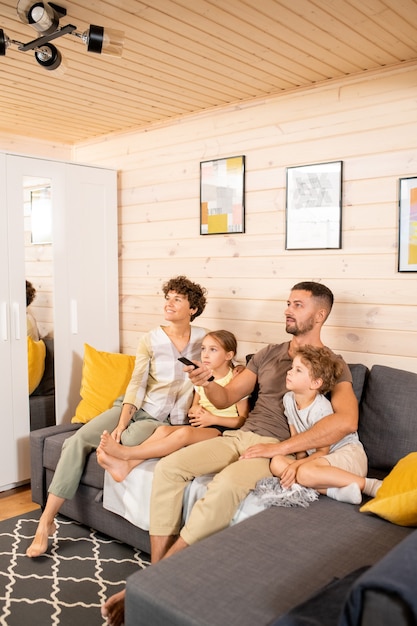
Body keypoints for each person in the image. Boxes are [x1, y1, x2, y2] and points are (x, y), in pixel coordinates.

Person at [102, 281, 359, 625]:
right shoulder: (269, 353)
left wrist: (279, 449)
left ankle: (145, 586)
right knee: (169, 468)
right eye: (287, 302)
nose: (287, 309)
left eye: (297, 305)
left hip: (274, 450)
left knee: (223, 486)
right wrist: (205, 380)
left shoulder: (331, 364)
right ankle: (156, 576)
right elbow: (225, 399)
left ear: (320, 314)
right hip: (242, 435)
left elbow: (347, 420)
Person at [26, 275, 208, 558]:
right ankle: (46, 521)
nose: (169, 304)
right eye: (167, 298)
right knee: (77, 441)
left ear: (192, 309)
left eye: (177, 299)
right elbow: (136, 384)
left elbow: (217, 374)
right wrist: (122, 422)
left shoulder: (203, 340)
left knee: (127, 443)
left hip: (161, 419)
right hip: (132, 405)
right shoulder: (151, 339)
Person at [96, 330, 249, 481]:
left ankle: (126, 454)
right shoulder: (202, 375)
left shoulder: (236, 379)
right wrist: (194, 408)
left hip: (223, 430)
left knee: (184, 434)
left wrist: (213, 419)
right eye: (203, 348)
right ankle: (127, 465)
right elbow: (196, 403)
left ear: (229, 355)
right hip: (203, 426)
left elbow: (243, 420)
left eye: (213, 350)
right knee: (162, 430)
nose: (205, 354)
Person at [269, 344, 382, 504]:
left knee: (304, 473)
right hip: (320, 462)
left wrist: (298, 466)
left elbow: (323, 451)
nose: (289, 371)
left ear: (315, 383)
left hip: (348, 456)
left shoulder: (320, 408)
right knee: (277, 463)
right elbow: (297, 440)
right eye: (292, 367)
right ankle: (336, 491)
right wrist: (297, 461)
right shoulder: (288, 399)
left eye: (298, 370)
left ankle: (370, 485)